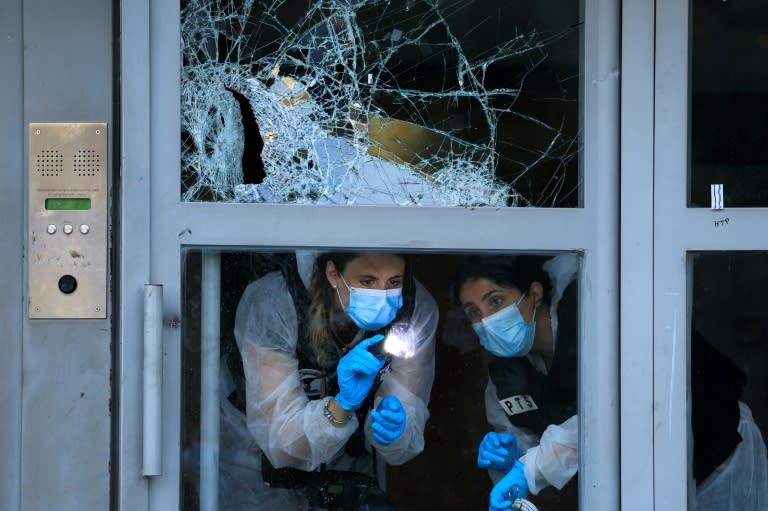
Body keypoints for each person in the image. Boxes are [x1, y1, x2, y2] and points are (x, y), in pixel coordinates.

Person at [217, 251, 438, 510]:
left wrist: (395, 430)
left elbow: (404, 425)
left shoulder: (412, 307)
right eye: (367, 281)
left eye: (393, 281)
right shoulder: (274, 301)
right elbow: (283, 444)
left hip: (346, 454)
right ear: (334, 274)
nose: (383, 295)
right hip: (253, 455)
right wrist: (342, 404)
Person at [454, 254, 579, 511]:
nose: (486, 320)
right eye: (474, 312)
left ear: (534, 293)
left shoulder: (588, 327)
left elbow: (607, 419)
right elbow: (523, 449)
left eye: (496, 301)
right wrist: (511, 457)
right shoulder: (507, 374)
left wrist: (528, 468)